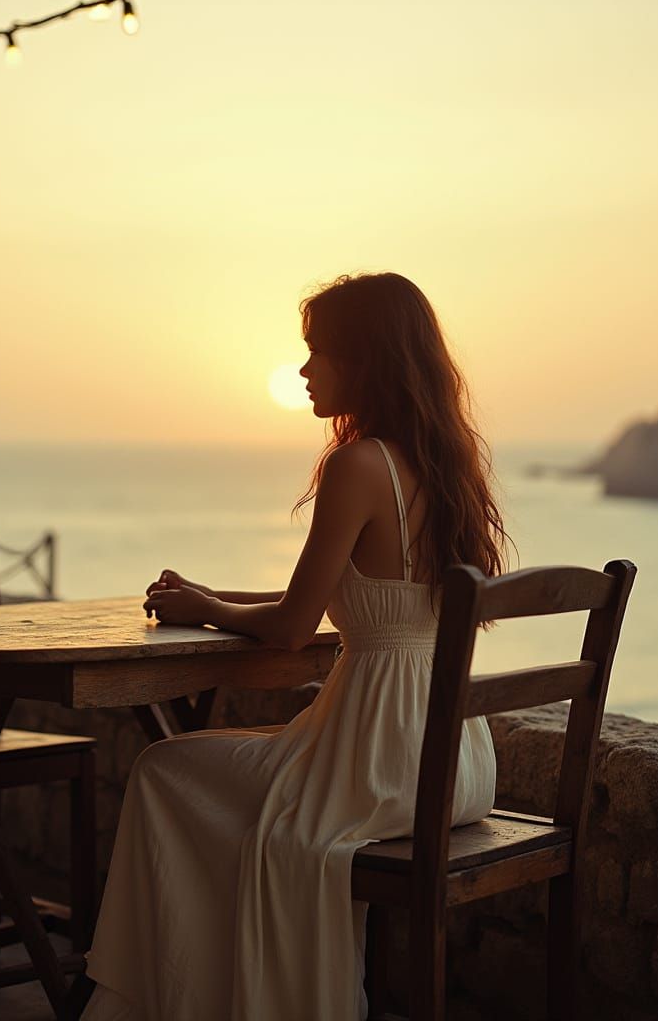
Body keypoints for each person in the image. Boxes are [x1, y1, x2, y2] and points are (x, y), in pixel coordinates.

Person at [81, 271, 512, 1020]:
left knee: (161, 769)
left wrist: (207, 608)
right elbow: (334, 602)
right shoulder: (446, 467)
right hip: (455, 765)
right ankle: (216, 988)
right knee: (221, 793)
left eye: (319, 354)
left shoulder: (357, 464)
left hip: (376, 766)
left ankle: (169, 1001)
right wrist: (213, 597)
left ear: (368, 359)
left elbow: (289, 629)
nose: (304, 372)